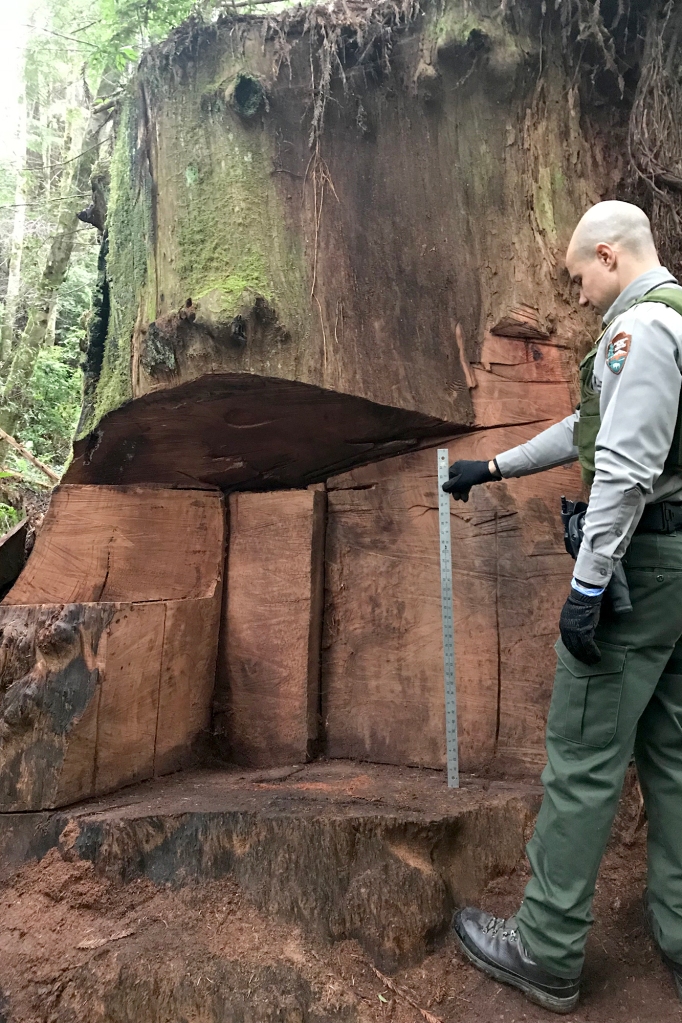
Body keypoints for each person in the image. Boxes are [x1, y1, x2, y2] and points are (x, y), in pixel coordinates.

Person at [443, 200, 682, 1014]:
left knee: (583, 754)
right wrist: (495, 467)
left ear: (609, 256)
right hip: (676, 571)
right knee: (673, 752)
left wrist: (587, 587)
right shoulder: (672, 326)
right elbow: (590, 425)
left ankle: (545, 949)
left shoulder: (638, 331)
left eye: (580, 276)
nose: (577, 295)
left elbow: (622, 468)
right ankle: (680, 933)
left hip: (641, 563)